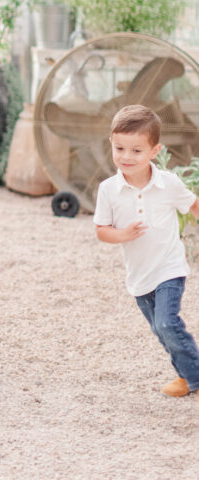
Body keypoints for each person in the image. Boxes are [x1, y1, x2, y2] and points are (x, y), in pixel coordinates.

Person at [94, 104, 199, 404]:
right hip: (139, 275)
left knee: (168, 323)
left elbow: (193, 205)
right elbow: (102, 230)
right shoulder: (108, 190)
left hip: (169, 268)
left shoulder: (169, 184)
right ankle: (186, 375)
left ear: (155, 151)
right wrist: (123, 234)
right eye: (120, 148)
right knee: (160, 330)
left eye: (136, 151)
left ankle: (197, 377)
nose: (126, 157)